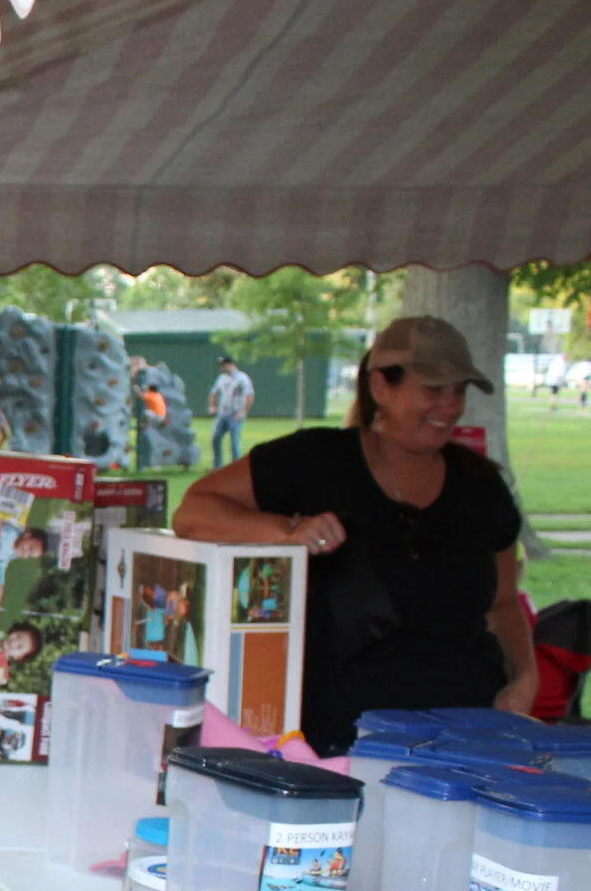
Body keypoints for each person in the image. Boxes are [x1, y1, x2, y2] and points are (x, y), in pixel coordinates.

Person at [172, 315, 537, 755]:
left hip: (465, 739)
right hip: (338, 740)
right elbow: (193, 510)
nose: (451, 406)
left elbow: (502, 603)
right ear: (382, 386)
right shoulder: (315, 460)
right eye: (434, 390)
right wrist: (286, 531)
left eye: (459, 391)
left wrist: (526, 676)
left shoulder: (482, 486)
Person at [207, 353, 255, 466]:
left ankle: (236, 466)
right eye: (221, 365)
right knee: (215, 438)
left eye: (224, 365)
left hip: (235, 414)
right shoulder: (222, 378)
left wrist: (244, 411)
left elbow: (250, 395)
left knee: (234, 442)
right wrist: (212, 406)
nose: (222, 367)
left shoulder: (242, 378)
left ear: (230, 364)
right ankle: (217, 466)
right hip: (222, 413)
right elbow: (214, 393)